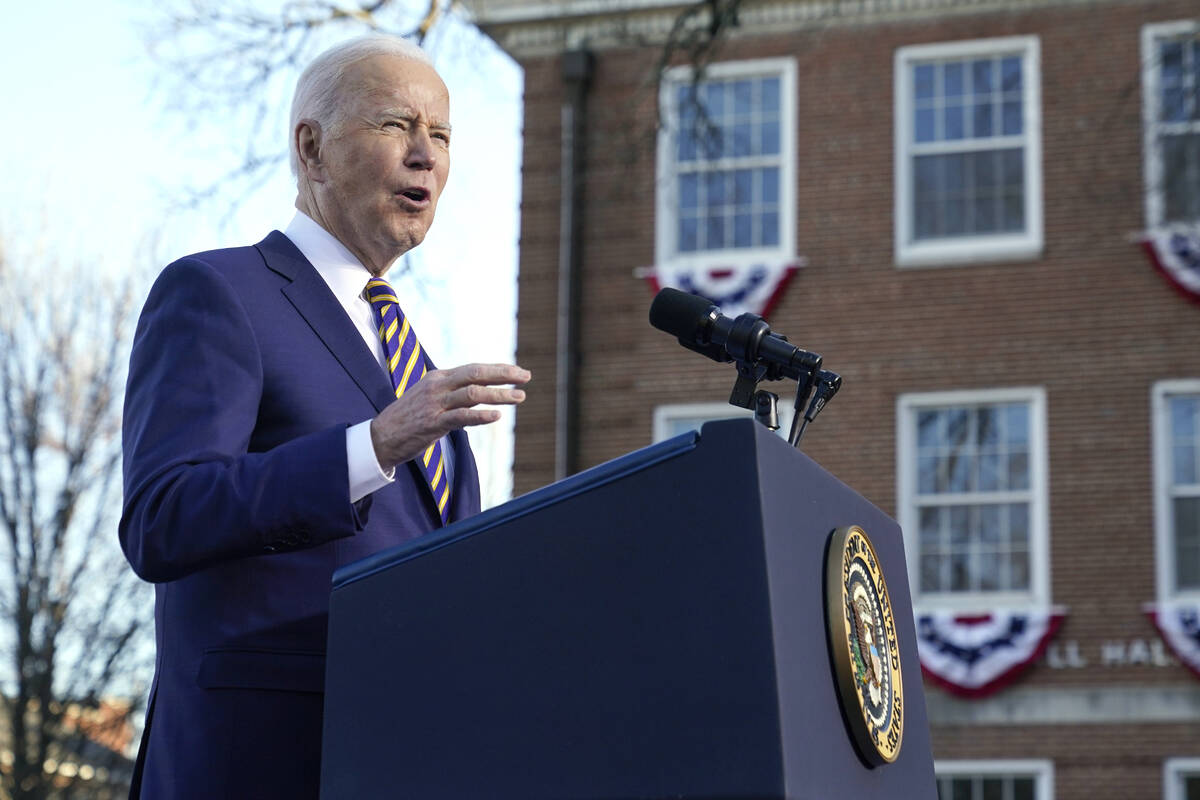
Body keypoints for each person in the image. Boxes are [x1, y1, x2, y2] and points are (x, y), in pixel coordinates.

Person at [119, 35, 529, 799]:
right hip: (259, 763)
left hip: (401, 762)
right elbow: (161, 517)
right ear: (311, 148)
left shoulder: (413, 360)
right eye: (396, 126)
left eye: (440, 136)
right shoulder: (219, 292)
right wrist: (371, 446)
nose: (426, 157)